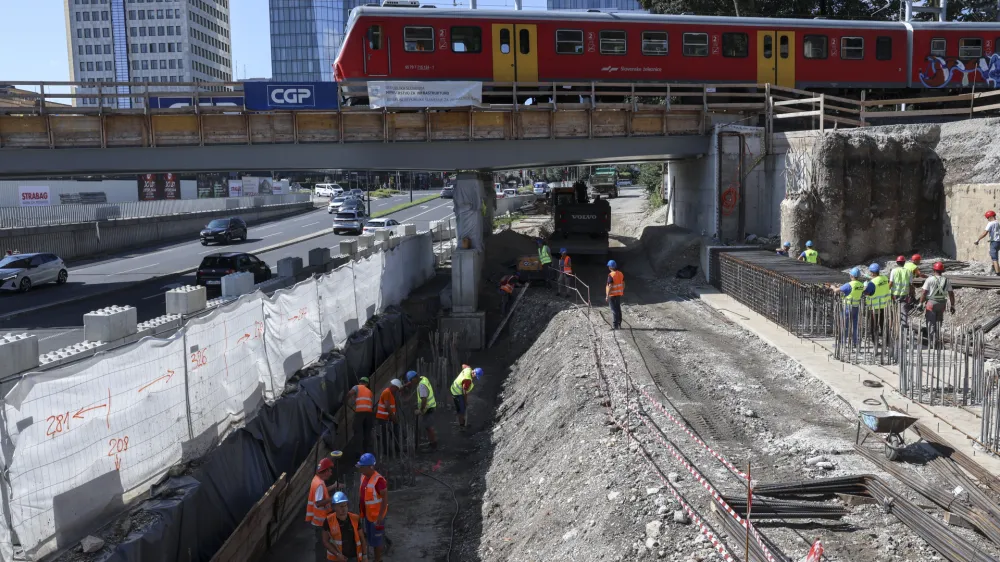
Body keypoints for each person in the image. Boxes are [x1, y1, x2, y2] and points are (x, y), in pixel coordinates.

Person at [357, 453, 389, 562]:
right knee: (371, 538)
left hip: (376, 517)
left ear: (370, 467)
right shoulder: (363, 476)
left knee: (377, 540)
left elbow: (385, 499)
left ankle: (378, 560)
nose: (360, 469)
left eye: (362, 467)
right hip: (368, 514)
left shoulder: (379, 481)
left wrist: (380, 516)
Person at [919, 261, 956, 347]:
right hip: (942, 304)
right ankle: (937, 339)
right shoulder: (946, 280)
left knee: (931, 323)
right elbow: (951, 294)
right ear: (942, 271)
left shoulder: (930, 279)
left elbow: (924, 292)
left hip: (931, 303)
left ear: (934, 270)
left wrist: (920, 303)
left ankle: (932, 343)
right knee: (939, 322)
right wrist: (952, 305)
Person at [324, 492, 367, 562]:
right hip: (336, 558)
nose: (344, 509)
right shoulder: (329, 520)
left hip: (353, 557)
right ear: (334, 507)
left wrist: (365, 556)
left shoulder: (355, 518)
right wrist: (337, 554)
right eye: (341, 506)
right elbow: (325, 541)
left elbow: (362, 538)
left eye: (345, 505)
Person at [307, 458, 336, 562]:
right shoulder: (319, 484)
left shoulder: (317, 480)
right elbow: (318, 503)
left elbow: (322, 491)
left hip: (317, 520)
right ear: (326, 471)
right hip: (320, 521)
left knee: (321, 544)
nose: (331, 473)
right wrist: (332, 499)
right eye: (330, 470)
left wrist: (333, 486)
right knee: (323, 544)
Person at [830, 268, 864, 347]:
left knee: (845, 325)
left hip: (848, 308)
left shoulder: (849, 284)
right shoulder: (861, 285)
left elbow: (836, 290)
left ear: (851, 276)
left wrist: (833, 287)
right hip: (856, 307)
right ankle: (855, 342)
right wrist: (841, 287)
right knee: (855, 326)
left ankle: (842, 342)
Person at [405, 370, 438, 449]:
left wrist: (420, 410)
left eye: (411, 381)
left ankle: (433, 445)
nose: (412, 383)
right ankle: (432, 443)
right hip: (431, 406)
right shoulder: (423, 378)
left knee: (429, 427)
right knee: (428, 427)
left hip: (427, 408)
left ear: (414, 378)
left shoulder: (421, 386)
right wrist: (405, 385)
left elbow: (424, 400)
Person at [865, 263, 891, 350]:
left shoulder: (872, 283)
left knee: (874, 326)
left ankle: (875, 342)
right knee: (883, 324)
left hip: (875, 307)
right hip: (885, 305)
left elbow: (867, 293)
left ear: (872, 273)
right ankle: (887, 341)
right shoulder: (885, 278)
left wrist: (865, 286)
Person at [346, 377, 375, 454]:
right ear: (367, 384)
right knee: (367, 432)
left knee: (358, 432)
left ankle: (359, 453)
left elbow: (349, 393)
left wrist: (345, 400)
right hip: (369, 414)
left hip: (360, 413)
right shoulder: (369, 391)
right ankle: (367, 452)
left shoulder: (357, 387)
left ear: (360, 382)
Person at [375, 379, 402, 457]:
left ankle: (396, 449)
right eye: (397, 388)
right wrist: (393, 417)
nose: (397, 390)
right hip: (383, 418)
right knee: (385, 435)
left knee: (394, 432)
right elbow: (387, 406)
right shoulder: (387, 392)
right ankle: (387, 451)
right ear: (394, 386)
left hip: (388, 417)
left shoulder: (390, 393)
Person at [450, 365, 482, 429]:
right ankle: (462, 426)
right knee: (461, 410)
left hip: (454, 386)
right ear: (474, 373)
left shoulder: (468, 368)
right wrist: (465, 401)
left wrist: (463, 375)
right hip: (457, 393)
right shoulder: (467, 380)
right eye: (476, 376)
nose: (475, 377)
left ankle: (463, 422)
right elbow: (464, 391)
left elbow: (463, 365)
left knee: (463, 408)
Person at [889, 255, 914, 327]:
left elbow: (891, 283)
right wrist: (912, 294)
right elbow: (911, 285)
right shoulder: (909, 271)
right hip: (904, 294)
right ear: (904, 262)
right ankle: (903, 326)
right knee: (903, 311)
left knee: (894, 309)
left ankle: (894, 326)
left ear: (897, 262)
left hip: (894, 294)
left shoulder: (894, 271)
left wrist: (887, 291)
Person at [974, 210, 1000, 276]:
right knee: (992, 254)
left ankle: (998, 273)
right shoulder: (998, 223)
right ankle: (994, 269)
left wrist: (978, 240)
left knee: (994, 258)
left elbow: (984, 233)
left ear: (991, 216)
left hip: (994, 242)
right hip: (998, 241)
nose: (987, 219)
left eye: (988, 217)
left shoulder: (990, 223)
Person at [606, 260, 624, 330]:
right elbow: (623, 283)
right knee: (618, 308)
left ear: (610, 267)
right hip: (618, 294)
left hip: (612, 295)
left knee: (614, 310)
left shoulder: (611, 275)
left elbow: (610, 286)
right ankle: (619, 324)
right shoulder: (620, 273)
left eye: (608, 266)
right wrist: (621, 291)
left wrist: (607, 295)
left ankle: (615, 325)